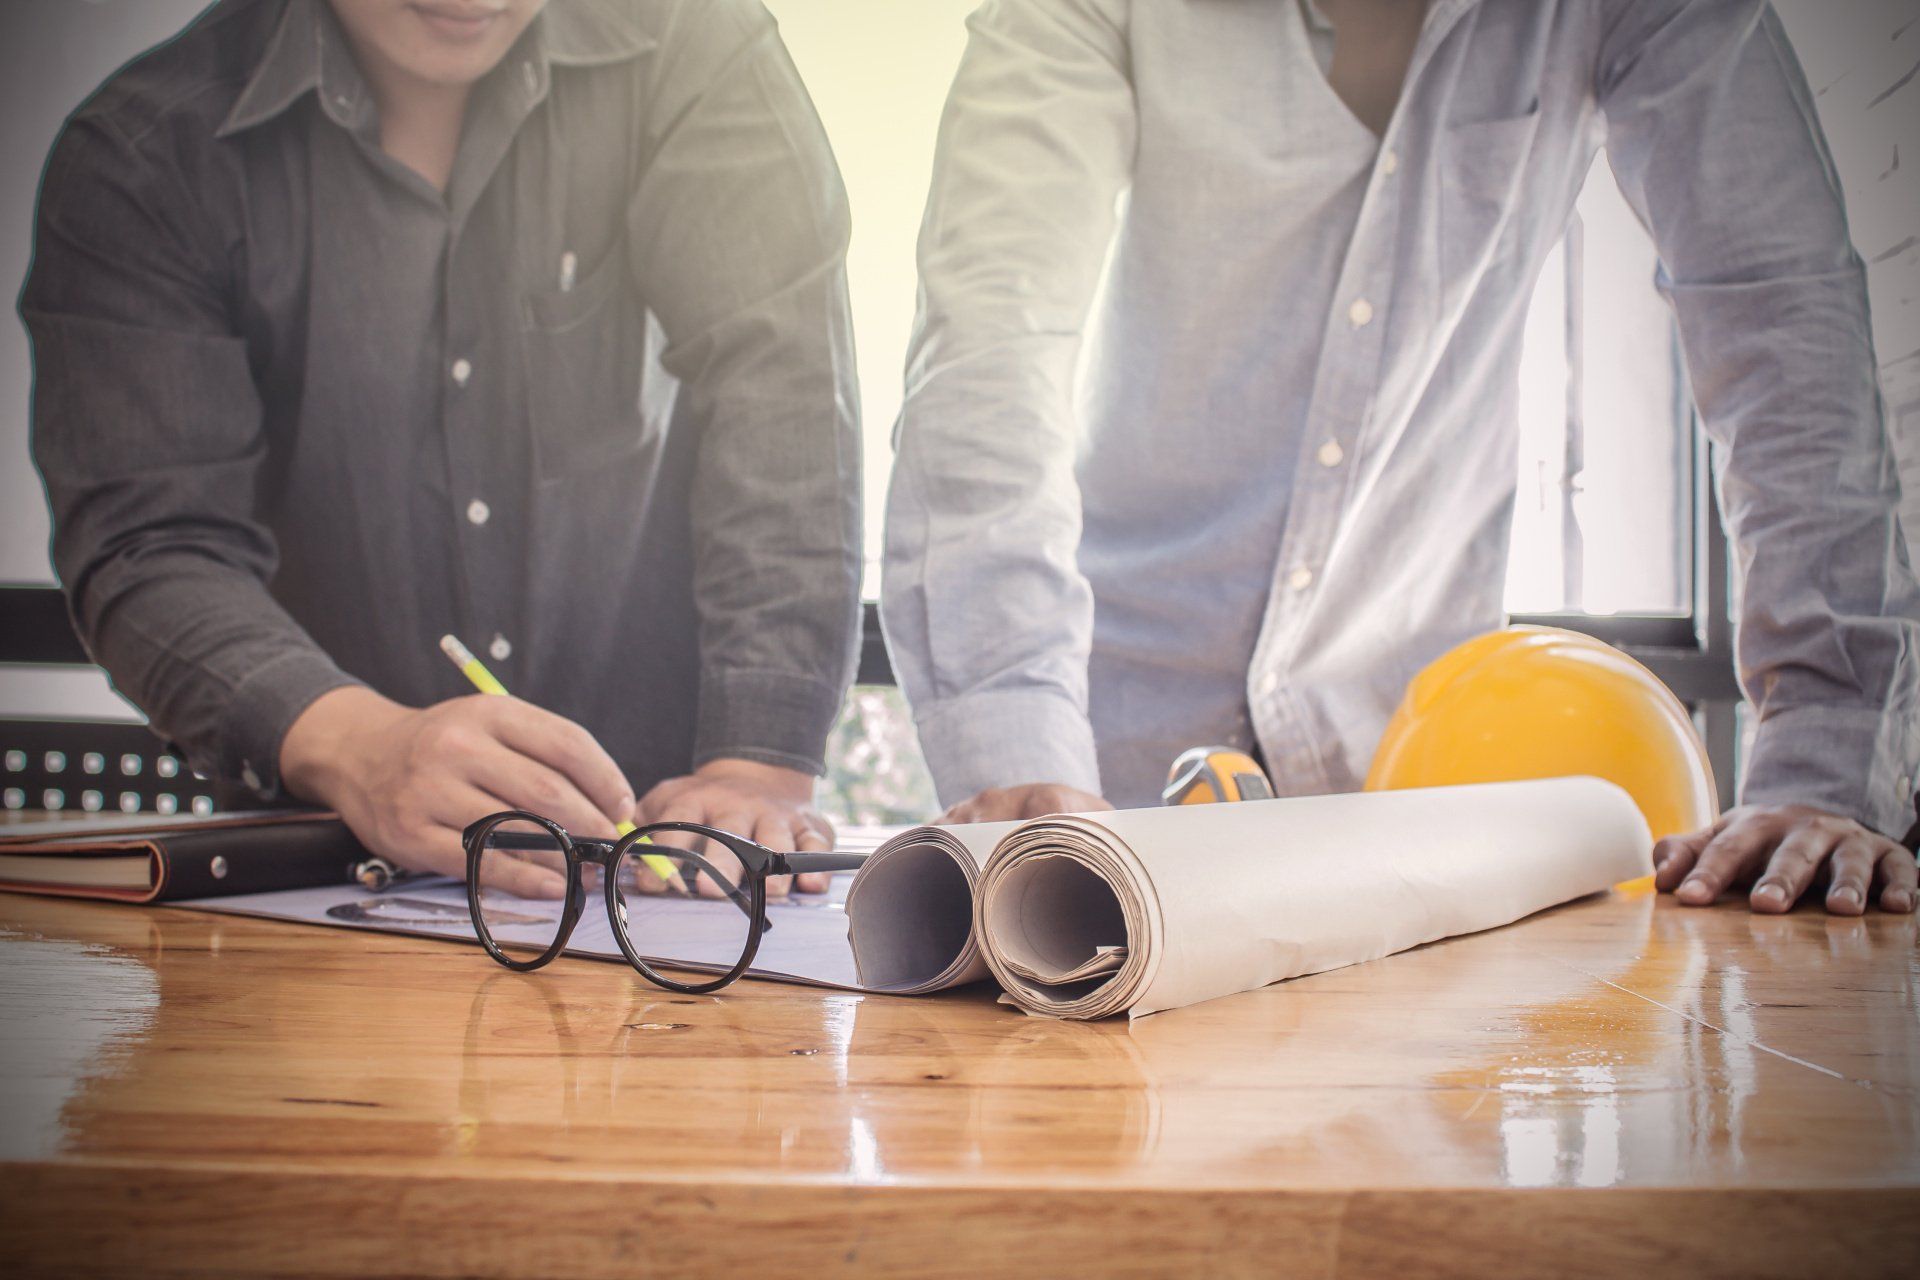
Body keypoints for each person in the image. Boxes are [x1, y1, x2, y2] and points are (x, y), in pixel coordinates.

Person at [881, 0, 1920, 914]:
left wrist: (1829, 755)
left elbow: (1783, 323)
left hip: (1425, 817)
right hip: (1103, 787)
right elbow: (987, 352)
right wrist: (1019, 758)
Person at [25, 0, 862, 893]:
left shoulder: (694, 50)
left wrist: (754, 770)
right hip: (327, 879)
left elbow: (784, 397)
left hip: (671, 874)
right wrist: (358, 742)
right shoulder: (143, 152)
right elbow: (150, 544)